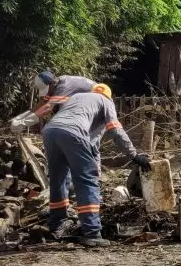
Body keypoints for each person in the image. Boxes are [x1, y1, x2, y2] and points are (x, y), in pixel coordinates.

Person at [42, 84, 150, 247]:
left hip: (50, 131)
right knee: (86, 181)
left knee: (59, 180)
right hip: (73, 132)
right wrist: (134, 155)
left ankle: (55, 226)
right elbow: (116, 130)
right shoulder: (106, 102)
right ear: (109, 96)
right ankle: (92, 233)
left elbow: (91, 139)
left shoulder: (77, 98)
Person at [10, 72, 98, 134]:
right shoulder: (56, 82)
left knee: (64, 118)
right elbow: (42, 103)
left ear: (51, 84)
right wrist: (20, 118)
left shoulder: (63, 87)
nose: (47, 93)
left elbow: (48, 108)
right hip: (87, 101)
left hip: (98, 102)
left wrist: (23, 123)